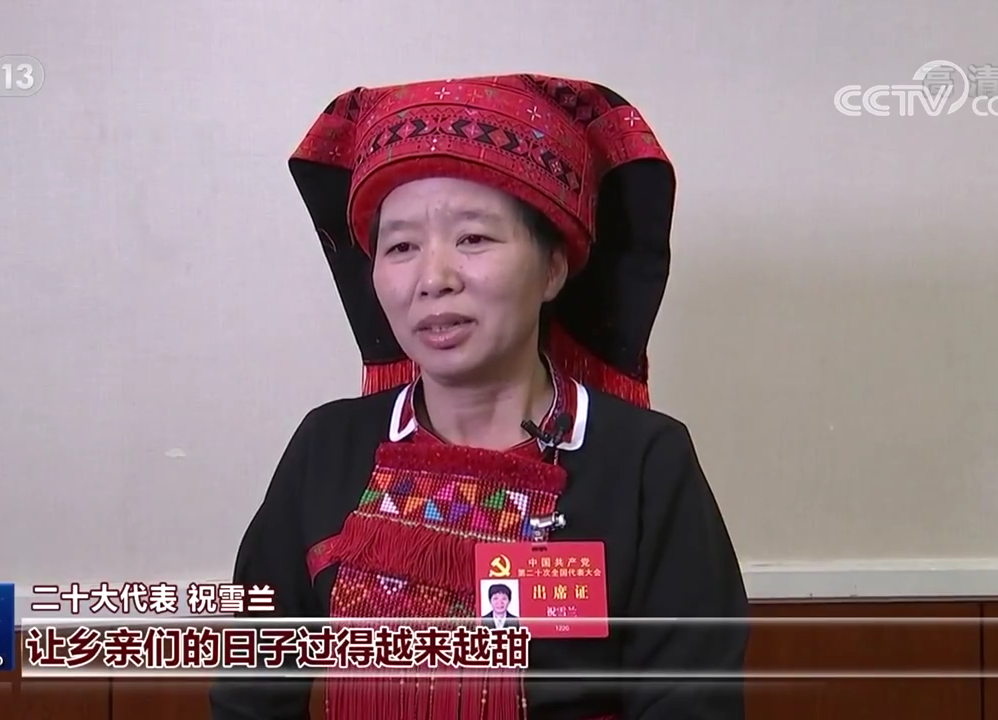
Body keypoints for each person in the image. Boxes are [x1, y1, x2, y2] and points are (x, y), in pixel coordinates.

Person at [210, 74, 749, 720]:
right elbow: (251, 691)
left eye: (473, 238)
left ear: (553, 268)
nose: (434, 278)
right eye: (401, 246)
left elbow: (691, 703)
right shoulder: (327, 447)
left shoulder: (645, 462)